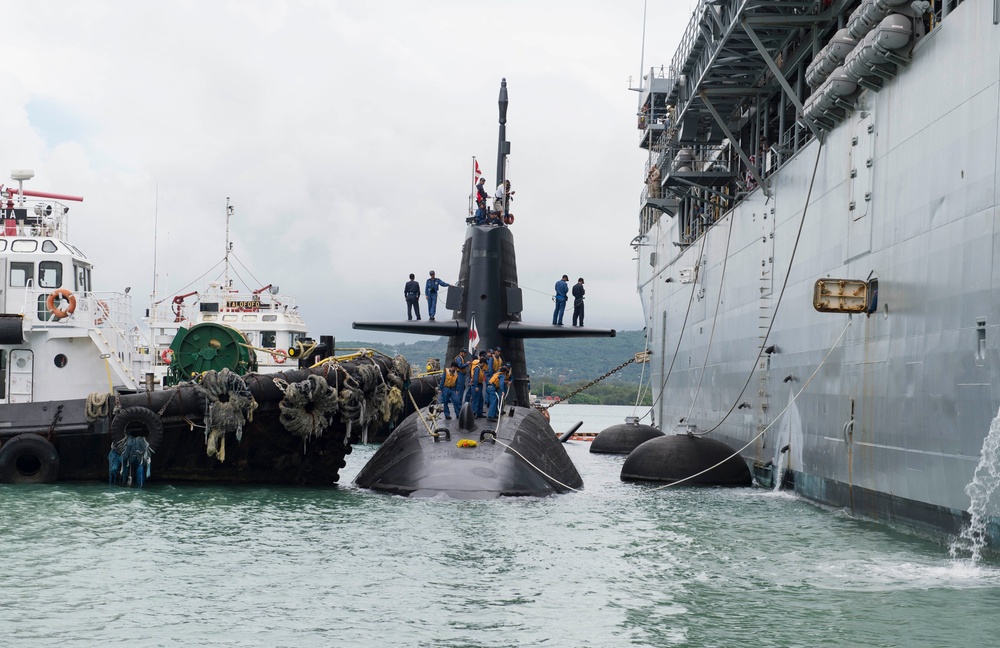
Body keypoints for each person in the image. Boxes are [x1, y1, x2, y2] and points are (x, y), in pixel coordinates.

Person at [468, 351, 487, 417]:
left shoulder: (481, 368)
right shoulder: (477, 368)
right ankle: (473, 413)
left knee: (481, 399)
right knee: (475, 399)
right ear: (483, 363)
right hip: (476, 385)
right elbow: (475, 378)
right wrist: (476, 386)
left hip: (480, 385)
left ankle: (479, 413)